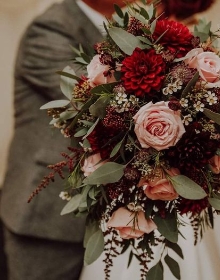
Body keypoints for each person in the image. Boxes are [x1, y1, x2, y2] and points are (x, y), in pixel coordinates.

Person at [0, 0, 134, 279]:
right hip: (48, 217)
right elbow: (95, 103)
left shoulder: (124, 30)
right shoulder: (51, 27)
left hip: (102, 214)